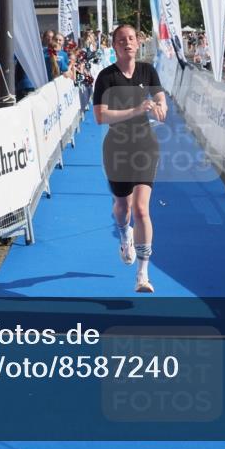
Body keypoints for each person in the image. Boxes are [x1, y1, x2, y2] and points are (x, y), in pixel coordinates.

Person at [92, 24, 167, 294]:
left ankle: (143, 275)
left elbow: (160, 96)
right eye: (122, 40)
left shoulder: (147, 70)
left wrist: (160, 105)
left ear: (138, 42)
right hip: (117, 147)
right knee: (122, 207)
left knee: (142, 209)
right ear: (114, 46)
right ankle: (125, 235)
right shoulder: (106, 77)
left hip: (145, 145)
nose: (128, 43)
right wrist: (136, 110)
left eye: (131, 38)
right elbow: (100, 116)